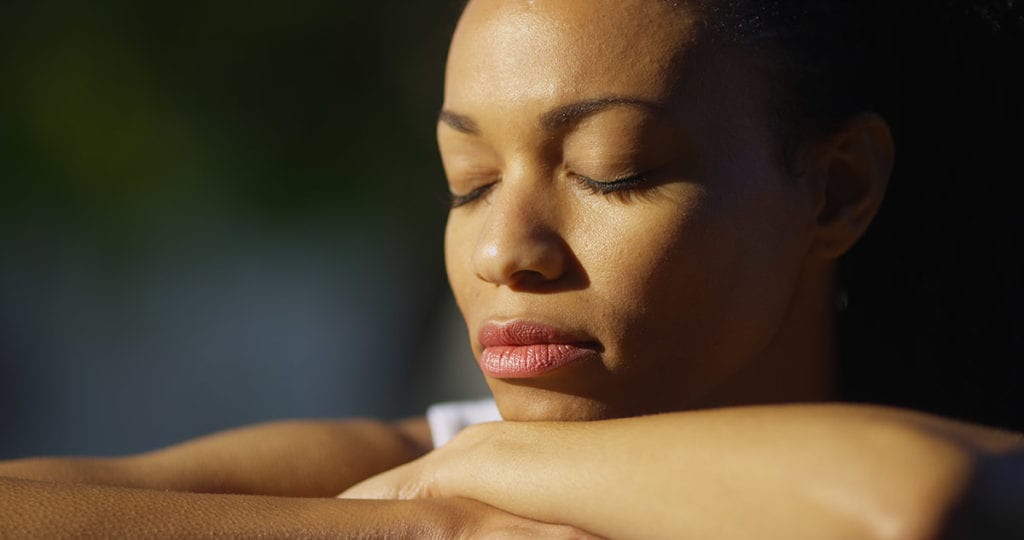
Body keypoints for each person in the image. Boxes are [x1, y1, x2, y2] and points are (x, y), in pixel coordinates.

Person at [1, 0, 1021, 538]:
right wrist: (432, 531)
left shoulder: (456, 466)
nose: (503, 253)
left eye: (610, 172)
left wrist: (480, 470)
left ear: (837, 190)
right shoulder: (423, 480)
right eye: (468, 180)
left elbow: (922, 506)